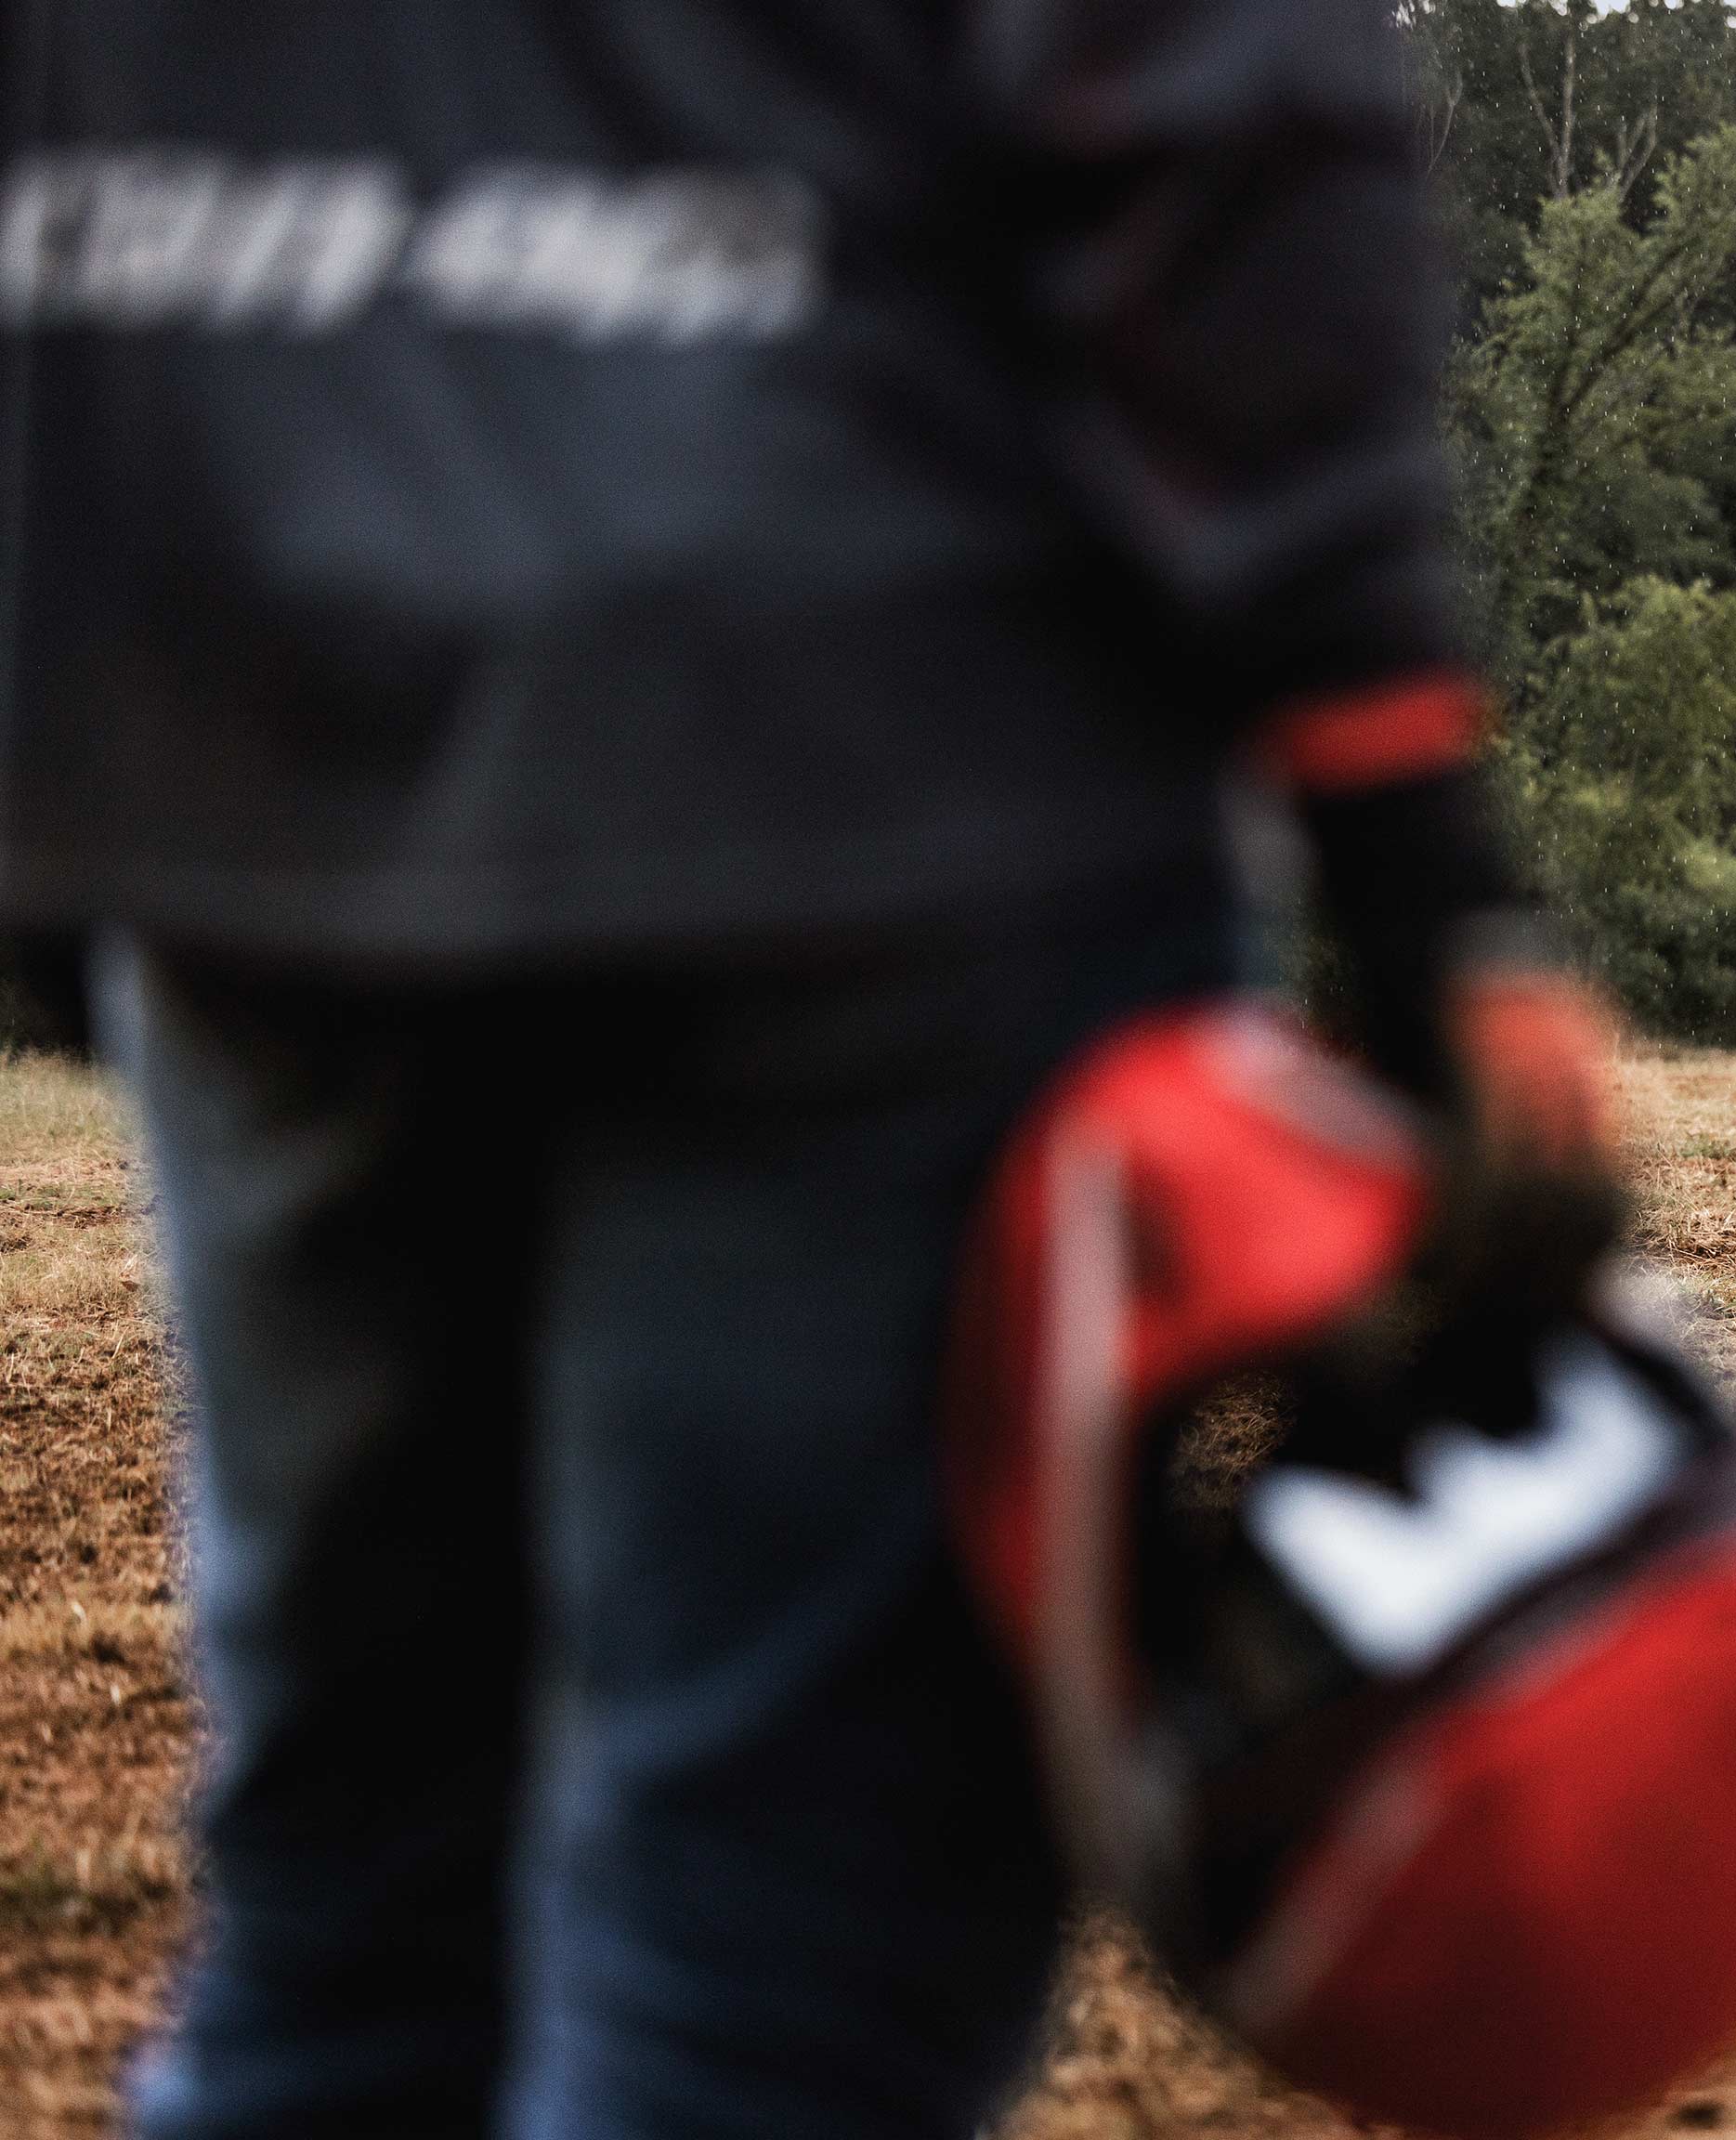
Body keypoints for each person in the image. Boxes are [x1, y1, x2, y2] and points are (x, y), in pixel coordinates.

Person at [0, 7, 1617, 2136]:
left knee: (354, 1933)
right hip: (868, 778)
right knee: (764, 1980)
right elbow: (1204, 87)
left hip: (265, 721)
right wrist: (1413, 847)